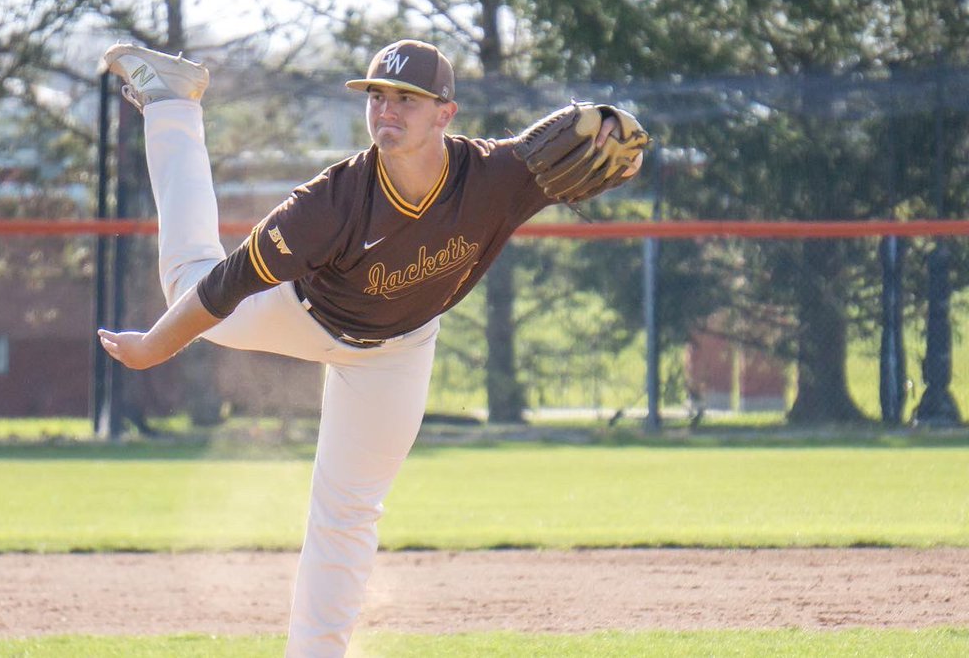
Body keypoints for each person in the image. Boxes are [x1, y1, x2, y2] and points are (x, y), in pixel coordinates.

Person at [97, 39, 647, 657]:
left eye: (407, 100)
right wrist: (152, 348)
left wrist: (609, 134)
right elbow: (225, 287)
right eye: (377, 96)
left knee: (349, 512)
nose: (387, 110)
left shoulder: (499, 177)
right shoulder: (330, 204)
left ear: (445, 113)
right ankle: (172, 103)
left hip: (398, 351)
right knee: (187, 283)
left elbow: (590, 144)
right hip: (300, 314)